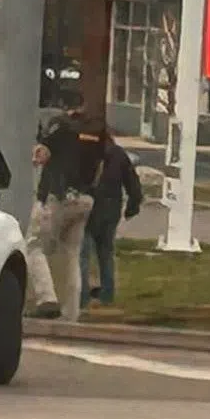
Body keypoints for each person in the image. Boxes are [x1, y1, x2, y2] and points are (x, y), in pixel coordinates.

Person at [26, 108, 106, 321]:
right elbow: (100, 168)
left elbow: (42, 155)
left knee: (34, 246)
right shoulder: (96, 131)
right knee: (72, 254)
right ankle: (72, 313)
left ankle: (47, 298)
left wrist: (38, 155)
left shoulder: (59, 128)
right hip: (85, 199)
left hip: (58, 196)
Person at [81, 131, 143, 309]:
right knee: (106, 253)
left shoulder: (86, 154)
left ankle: (82, 296)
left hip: (89, 209)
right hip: (111, 211)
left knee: (83, 254)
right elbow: (132, 183)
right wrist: (132, 206)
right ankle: (107, 293)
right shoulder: (119, 155)